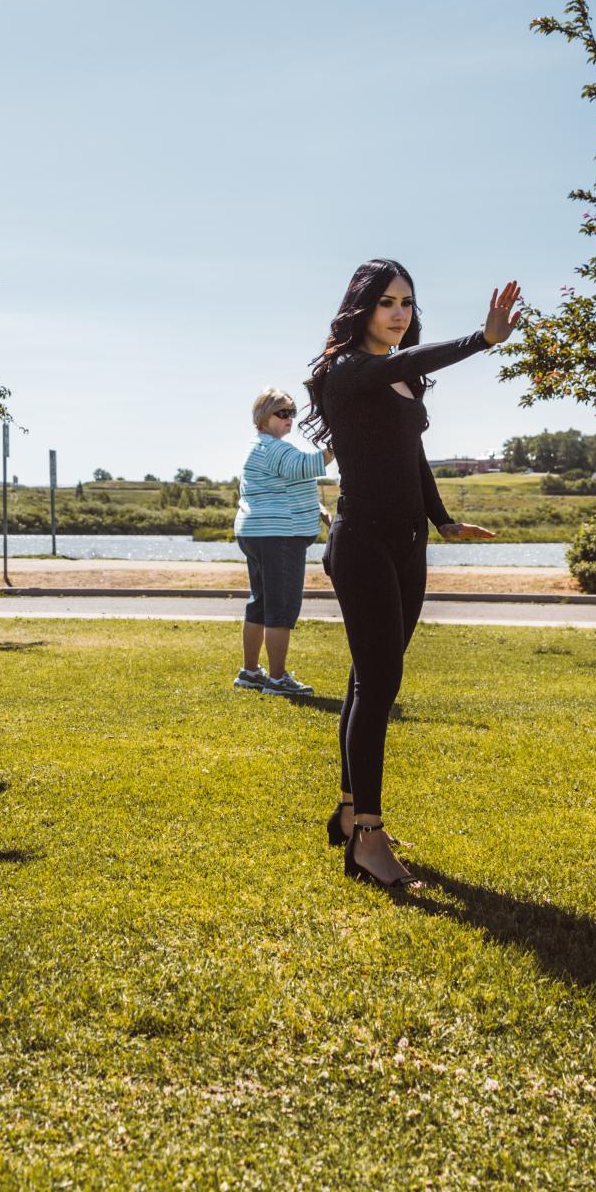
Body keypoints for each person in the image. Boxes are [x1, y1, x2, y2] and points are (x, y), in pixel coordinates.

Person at [305, 259, 517, 890]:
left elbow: (412, 457)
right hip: (363, 543)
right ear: (361, 308)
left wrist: (444, 520)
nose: (397, 312)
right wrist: (482, 340)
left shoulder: (401, 382)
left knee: (367, 677)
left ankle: (348, 812)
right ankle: (368, 837)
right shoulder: (347, 371)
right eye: (385, 302)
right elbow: (403, 363)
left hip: (408, 545)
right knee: (380, 682)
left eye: (405, 302)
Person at [233, 387, 334, 695]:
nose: (290, 419)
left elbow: (285, 483)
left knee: (260, 604)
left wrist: (316, 508)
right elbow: (307, 466)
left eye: (292, 413)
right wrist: (338, 443)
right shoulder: (276, 449)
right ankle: (277, 679)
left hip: (256, 532)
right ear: (264, 416)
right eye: (282, 413)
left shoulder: (260, 446)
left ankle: (251, 672)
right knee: (281, 607)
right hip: (280, 536)